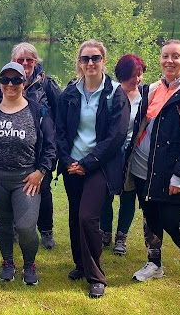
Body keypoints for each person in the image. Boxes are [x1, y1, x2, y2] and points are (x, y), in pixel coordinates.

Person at [128, 40, 180, 285]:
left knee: (172, 221)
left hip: (170, 171)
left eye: (176, 56)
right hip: (144, 168)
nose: (169, 61)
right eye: (165, 56)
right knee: (150, 217)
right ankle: (154, 264)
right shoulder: (153, 89)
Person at [0, 62, 57, 286]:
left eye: (16, 80)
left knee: (27, 226)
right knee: (3, 222)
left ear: (24, 83)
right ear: (0, 83)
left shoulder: (38, 110)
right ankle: (8, 261)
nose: (11, 84)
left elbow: (50, 145)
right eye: (6, 80)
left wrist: (41, 171)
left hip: (26, 179)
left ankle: (30, 263)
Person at [55, 40, 130, 298]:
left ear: (103, 61)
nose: (90, 63)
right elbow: (60, 131)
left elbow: (117, 136)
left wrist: (87, 163)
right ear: (79, 62)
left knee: (88, 217)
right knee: (76, 216)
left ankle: (96, 275)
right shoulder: (70, 93)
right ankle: (80, 264)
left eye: (95, 58)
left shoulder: (115, 93)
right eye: (85, 58)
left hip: (99, 166)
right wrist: (67, 161)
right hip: (72, 165)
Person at [0, 42, 62, 250]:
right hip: (14, 147)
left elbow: (60, 116)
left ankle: (46, 230)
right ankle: (14, 229)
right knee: (13, 194)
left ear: (36, 62)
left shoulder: (47, 84)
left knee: (43, 191)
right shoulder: (3, 83)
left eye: (30, 60)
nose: (26, 63)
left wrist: (53, 151)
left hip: (41, 150)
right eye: (21, 60)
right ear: (13, 62)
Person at [99, 54, 145, 255]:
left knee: (128, 196)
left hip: (133, 154)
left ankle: (121, 237)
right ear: (121, 75)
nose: (136, 79)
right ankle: (105, 233)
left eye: (140, 74)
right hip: (110, 153)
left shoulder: (146, 95)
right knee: (105, 196)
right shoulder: (110, 93)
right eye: (132, 75)